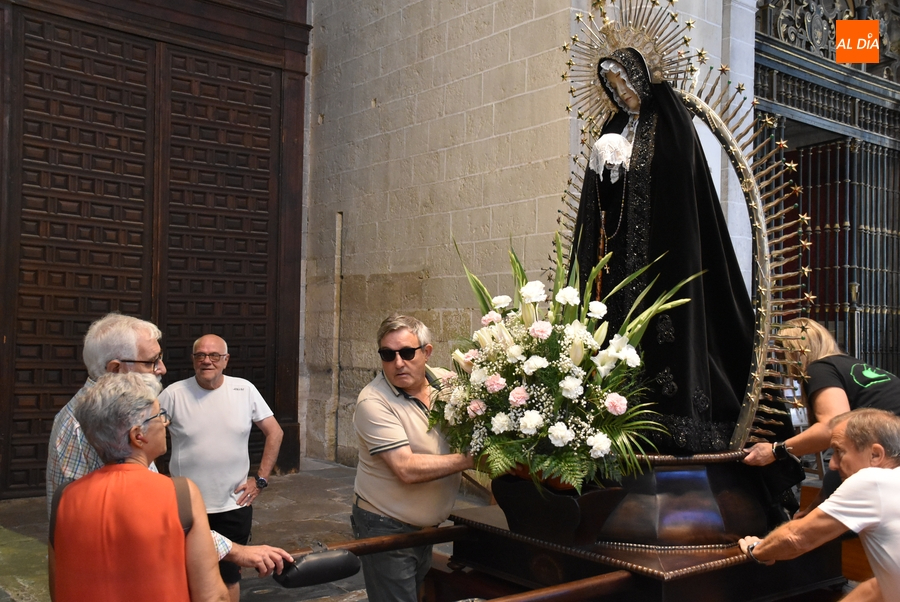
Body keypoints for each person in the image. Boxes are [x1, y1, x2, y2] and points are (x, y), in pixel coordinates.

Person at [568, 47, 763, 454]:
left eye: (625, 82)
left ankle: (672, 434)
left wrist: (636, 162)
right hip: (619, 264)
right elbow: (600, 208)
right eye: (613, 86)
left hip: (665, 263)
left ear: (641, 78)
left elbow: (681, 196)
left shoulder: (672, 127)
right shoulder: (614, 129)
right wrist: (603, 169)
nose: (621, 92)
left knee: (666, 346)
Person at [46, 313, 291, 578]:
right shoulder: (92, 423)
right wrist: (238, 552)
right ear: (115, 369)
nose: (161, 369)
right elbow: (151, 516)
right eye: (152, 362)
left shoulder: (109, 411)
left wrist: (260, 480)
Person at [49, 372, 229, 602]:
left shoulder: (64, 499)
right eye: (159, 416)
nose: (165, 422)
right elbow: (212, 597)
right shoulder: (180, 494)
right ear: (138, 436)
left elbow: (58, 589)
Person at [352, 314, 474, 602]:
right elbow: (405, 468)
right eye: (387, 354)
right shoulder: (373, 402)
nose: (398, 363)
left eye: (407, 352)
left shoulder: (447, 383)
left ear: (426, 352)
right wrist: (471, 459)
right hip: (386, 525)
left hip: (426, 528)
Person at [160, 334, 284, 602]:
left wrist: (260, 480)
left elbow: (274, 432)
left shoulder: (245, 390)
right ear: (193, 360)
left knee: (228, 575)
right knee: (184, 574)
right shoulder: (173, 394)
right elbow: (146, 436)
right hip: (187, 507)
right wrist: (158, 484)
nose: (207, 360)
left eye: (214, 355)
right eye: (200, 355)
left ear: (225, 361)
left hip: (233, 505)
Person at [739, 408, 900, 602]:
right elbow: (879, 586)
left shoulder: (872, 481)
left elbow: (795, 538)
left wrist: (758, 549)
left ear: (875, 455)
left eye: (840, 452)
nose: (832, 464)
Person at [743, 318, 900, 512]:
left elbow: (832, 427)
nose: (786, 369)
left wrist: (776, 450)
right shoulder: (847, 364)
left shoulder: (819, 369)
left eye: (783, 358)